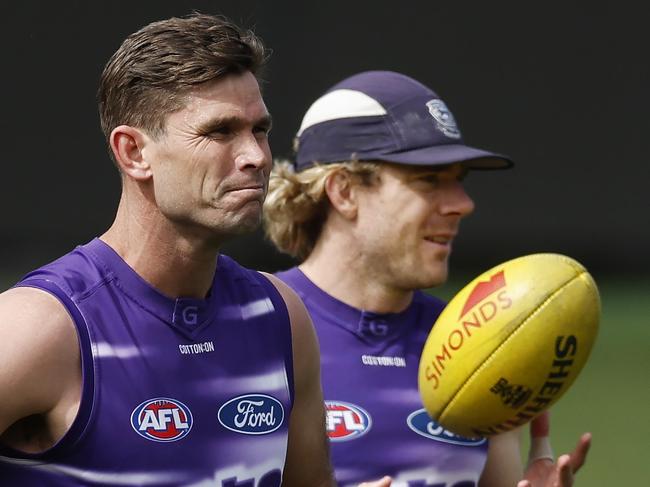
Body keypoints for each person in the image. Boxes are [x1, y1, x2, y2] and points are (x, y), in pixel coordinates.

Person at [0, 13, 335, 486]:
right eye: (220, 132)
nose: (257, 156)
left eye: (259, 129)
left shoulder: (280, 316)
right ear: (133, 153)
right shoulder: (38, 327)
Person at [263, 70, 592, 487]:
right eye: (429, 180)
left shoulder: (484, 344)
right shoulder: (255, 326)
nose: (463, 204)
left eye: (459, 182)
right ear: (343, 191)